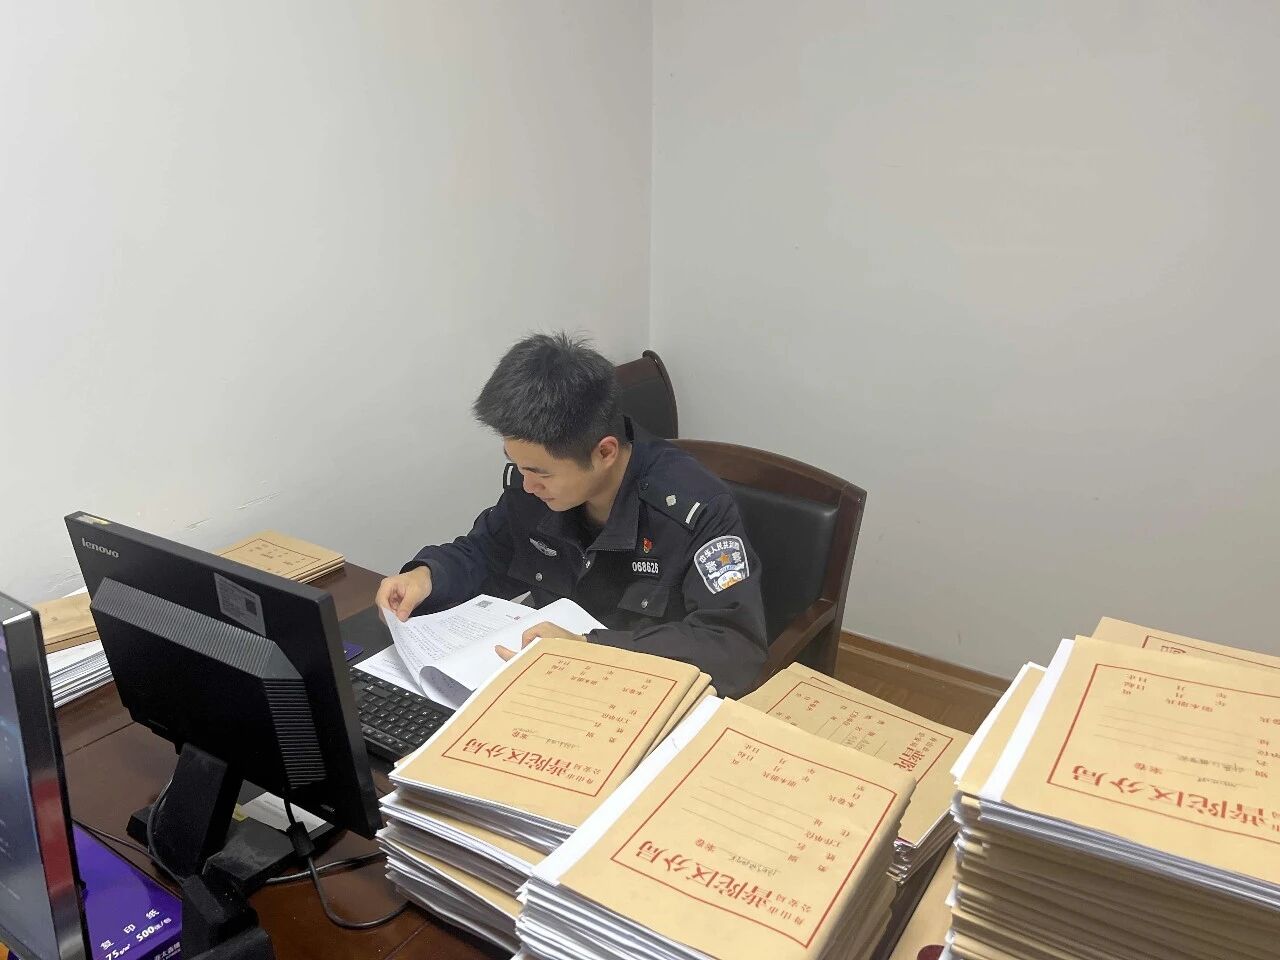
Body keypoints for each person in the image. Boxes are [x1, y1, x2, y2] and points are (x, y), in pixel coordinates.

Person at [375, 332, 768, 697]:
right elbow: (486, 552)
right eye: (517, 465)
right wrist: (428, 576)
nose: (527, 485)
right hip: (545, 685)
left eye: (540, 472)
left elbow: (734, 647)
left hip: (640, 695)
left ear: (604, 452)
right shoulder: (536, 490)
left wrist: (588, 649)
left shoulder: (693, 509)